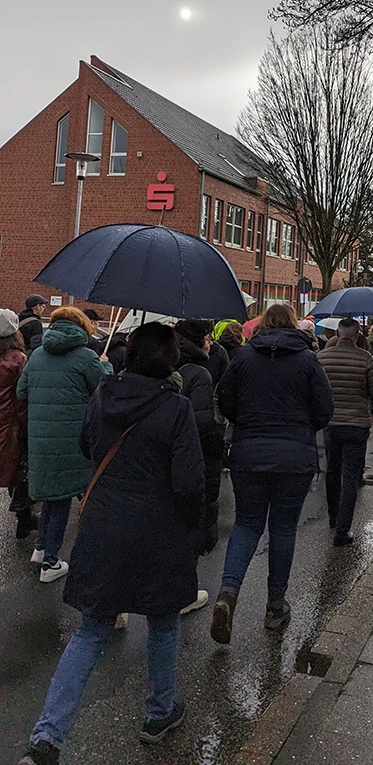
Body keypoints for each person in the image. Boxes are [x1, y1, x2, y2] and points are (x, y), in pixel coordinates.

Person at [17, 323, 206, 764]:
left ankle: (47, 738)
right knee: (162, 622)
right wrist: (194, 530)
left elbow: (87, 447)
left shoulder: (102, 395)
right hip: (159, 531)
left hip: (104, 525)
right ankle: (158, 713)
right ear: (170, 360)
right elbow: (189, 482)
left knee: (91, 630)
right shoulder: (176, 408)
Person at [210, 303, 334, 644]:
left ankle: (228, 591)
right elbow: (325, 409)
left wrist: (245, 423)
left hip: (248, 452)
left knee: (247, 524)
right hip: (294, 457)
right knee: (282, 529)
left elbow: (226, 399)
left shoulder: (244, 359)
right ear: (293, 325)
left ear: (262, 324)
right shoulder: (308, 360)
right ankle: (275, 605)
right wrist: (303, 427)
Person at [16, 306, 113, 582]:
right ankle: (50, 562)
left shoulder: (36, 355)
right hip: (72, 439)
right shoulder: (86, 356)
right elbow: (104, 387)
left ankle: (40, 548)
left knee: (52, 495)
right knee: (61, 499)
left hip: (40, 437)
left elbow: (21, 392)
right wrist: (105, 364)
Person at [318, 318, 373, 545]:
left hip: (331, 423)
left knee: (332, 471)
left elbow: (315, 389)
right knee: (350, 477)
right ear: (357, 335)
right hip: (356, 424)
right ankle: (343, 530)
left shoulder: (322, 357)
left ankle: (333, 517)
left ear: (337, 333)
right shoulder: (365, 358)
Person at [176, 322, 225, 567]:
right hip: (195, 456)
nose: (210, 343)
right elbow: (202, 423)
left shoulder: (165, 362)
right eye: (206, 338)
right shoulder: (199, 373)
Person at [0, 309, 37, 539]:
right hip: (11, 425)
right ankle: (24, 517)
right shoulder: (18, 359)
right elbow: (23, 395)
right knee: (19, 471)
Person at [175, 319, 230, 386]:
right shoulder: (201, 374)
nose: (211, 343)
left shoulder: (171, 359)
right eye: (207, 339)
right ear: (197, 342)